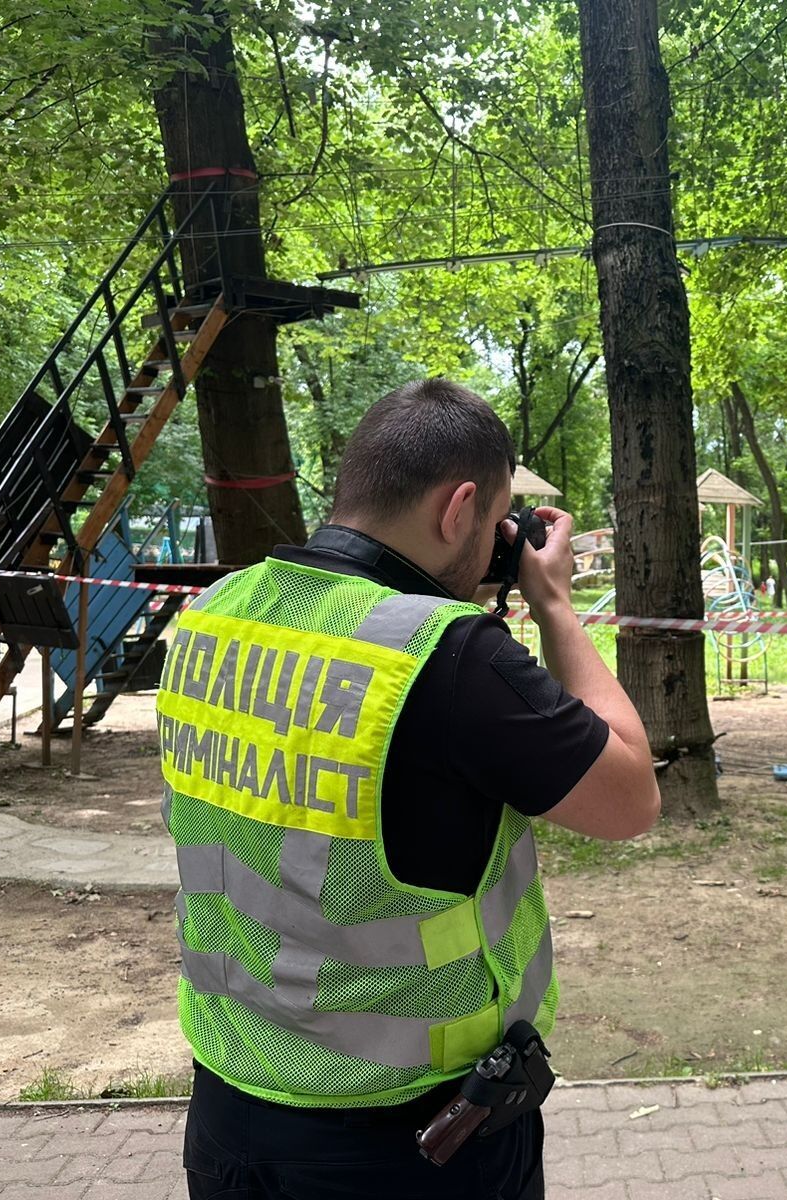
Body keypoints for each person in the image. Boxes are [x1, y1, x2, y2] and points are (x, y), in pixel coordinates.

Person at [155, 378, 661, 1198]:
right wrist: (556, 604)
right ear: (459, 508)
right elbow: (630, 796)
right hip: (408, 1146)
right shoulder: (447, 655)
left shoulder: (215, 613)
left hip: (229, 1112)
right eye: (496, 520)